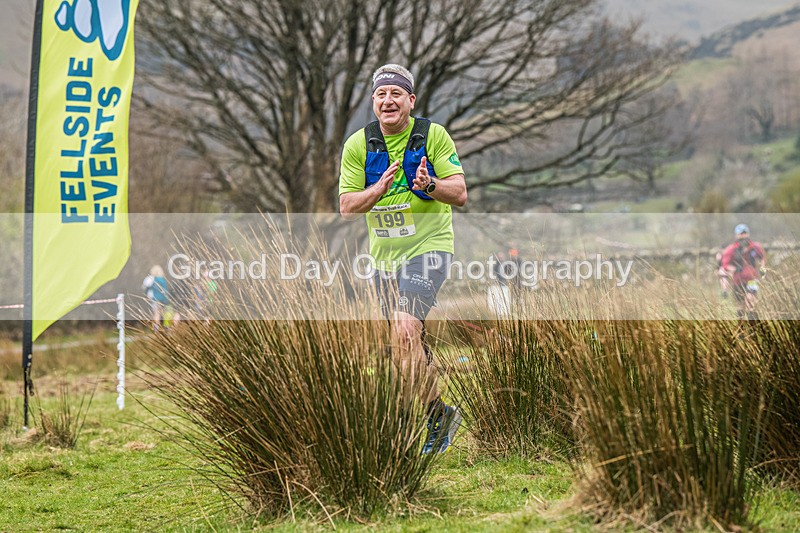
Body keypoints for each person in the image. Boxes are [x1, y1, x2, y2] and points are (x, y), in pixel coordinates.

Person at [339, 64, 468, 454]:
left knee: (406, 332)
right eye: (381, 94)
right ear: (373, 102)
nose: (388, 100)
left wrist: (430, 185)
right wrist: (376, 190)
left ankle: (433, 421)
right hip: (383, 261)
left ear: (410, 101)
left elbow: (459, 193)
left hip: (429, 248)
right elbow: (347, 206)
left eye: (396, 93)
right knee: (406, 346)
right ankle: (438, 413)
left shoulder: (432, 136)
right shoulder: (359, 145)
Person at [719, 224, 767, 320]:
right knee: (740, 306)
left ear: (748, 234)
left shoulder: (755, 247)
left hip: (752, 279)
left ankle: (753, 327)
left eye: (745, 233)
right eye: (741, 234)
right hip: (738, 281)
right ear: (736, 236)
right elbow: (724, 265)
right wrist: (735, 269)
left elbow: (762, 258)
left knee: (750, 301)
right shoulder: (731, 249)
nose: (743, 236)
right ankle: (741, 329)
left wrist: (762, 270)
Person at [142, 265, 170, 330]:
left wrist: (147, 296)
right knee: (165, 313)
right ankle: (167, 327)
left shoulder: (151, 279)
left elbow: (145, 286)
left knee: (156, 313)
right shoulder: (163, 279)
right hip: (164, 299)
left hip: (155, 299)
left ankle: (156, 328)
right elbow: (166, 290)